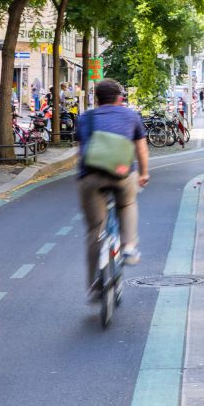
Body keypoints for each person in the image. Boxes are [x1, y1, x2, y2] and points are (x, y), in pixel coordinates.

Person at [77, 78, 149, 296]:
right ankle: (128, 247)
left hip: (91, 176)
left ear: (96, 100)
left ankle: (94, 285)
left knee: (94, 231)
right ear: (120, 98)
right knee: (127, 203)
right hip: (121, 174)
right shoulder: (131, 116)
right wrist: (144, 174)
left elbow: (81, 149)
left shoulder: (86, 118)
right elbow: (141, 150)